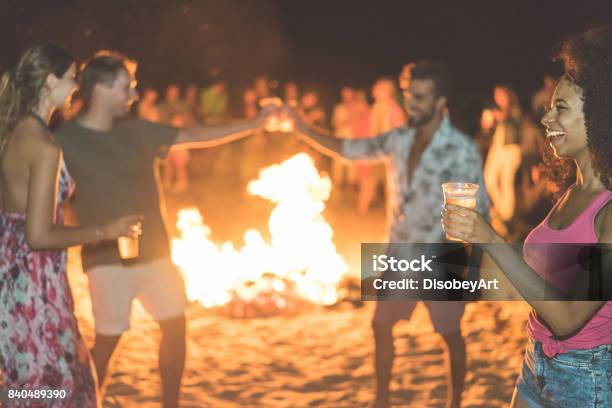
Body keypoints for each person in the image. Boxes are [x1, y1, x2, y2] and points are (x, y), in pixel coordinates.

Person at [54, 50, 264, 408]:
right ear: (101, 89)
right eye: (127, 88)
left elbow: (196, 134)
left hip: (157, 253)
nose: (134, 95)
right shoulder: (64, 143)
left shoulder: (138, 131)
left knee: (176, 327)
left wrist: (254, 123)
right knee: (108, 340)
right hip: (106, 260)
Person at [293, 60, 489, 408]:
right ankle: (381, 400)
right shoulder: (398, 139)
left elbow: (480, 210)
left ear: (440, 101)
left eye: (421, 97)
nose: (412, 103)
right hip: (399, 254)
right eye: (409, 95)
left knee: (450, 335)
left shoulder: (460, 149)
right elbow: (348, 150)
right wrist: (301, 128)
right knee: (380, 326)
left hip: (441, 256)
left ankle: (454, 403)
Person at [442, 26, 612, 407]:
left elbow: (568, 318)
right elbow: (542, 280)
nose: (546, 117)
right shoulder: (573, 190)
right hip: (536, 361)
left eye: (561, 108)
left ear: (601, 117)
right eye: (550, 106)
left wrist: (489, 238)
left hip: (590, 377)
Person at [0, 43, 140, 408]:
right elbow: (39, 234)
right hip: (34, 281)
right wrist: (106, 231)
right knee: (53, 387)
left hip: (12, 275)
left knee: (30, 382)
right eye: (72, 78)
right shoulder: (44, 147)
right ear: (50, 81)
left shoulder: (12, 133)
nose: (77, 86)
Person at [483, 85, 523, 239]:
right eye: (495, 94)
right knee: (489, 178)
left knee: (506, 182)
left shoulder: (514, 109)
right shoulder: (498, 112)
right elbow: (488, 131)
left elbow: (511, 121)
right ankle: (502, 211)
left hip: (511, 149)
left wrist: (499, 115)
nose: (497, 97)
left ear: (507, 95)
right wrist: (487, 124)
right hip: (498, 148)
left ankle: (506, 215)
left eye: (500, 94)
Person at [331, 86, 356, 188]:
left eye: (349, 94)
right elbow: (335, 124)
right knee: (338, 161)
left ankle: (352, 184)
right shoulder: (339, 108)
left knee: (353, 162)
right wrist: (346, 121)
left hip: (353, 138)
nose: (347, 96)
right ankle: (337, 183)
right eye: (345, 94)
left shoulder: (356, 107)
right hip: (340, 138)